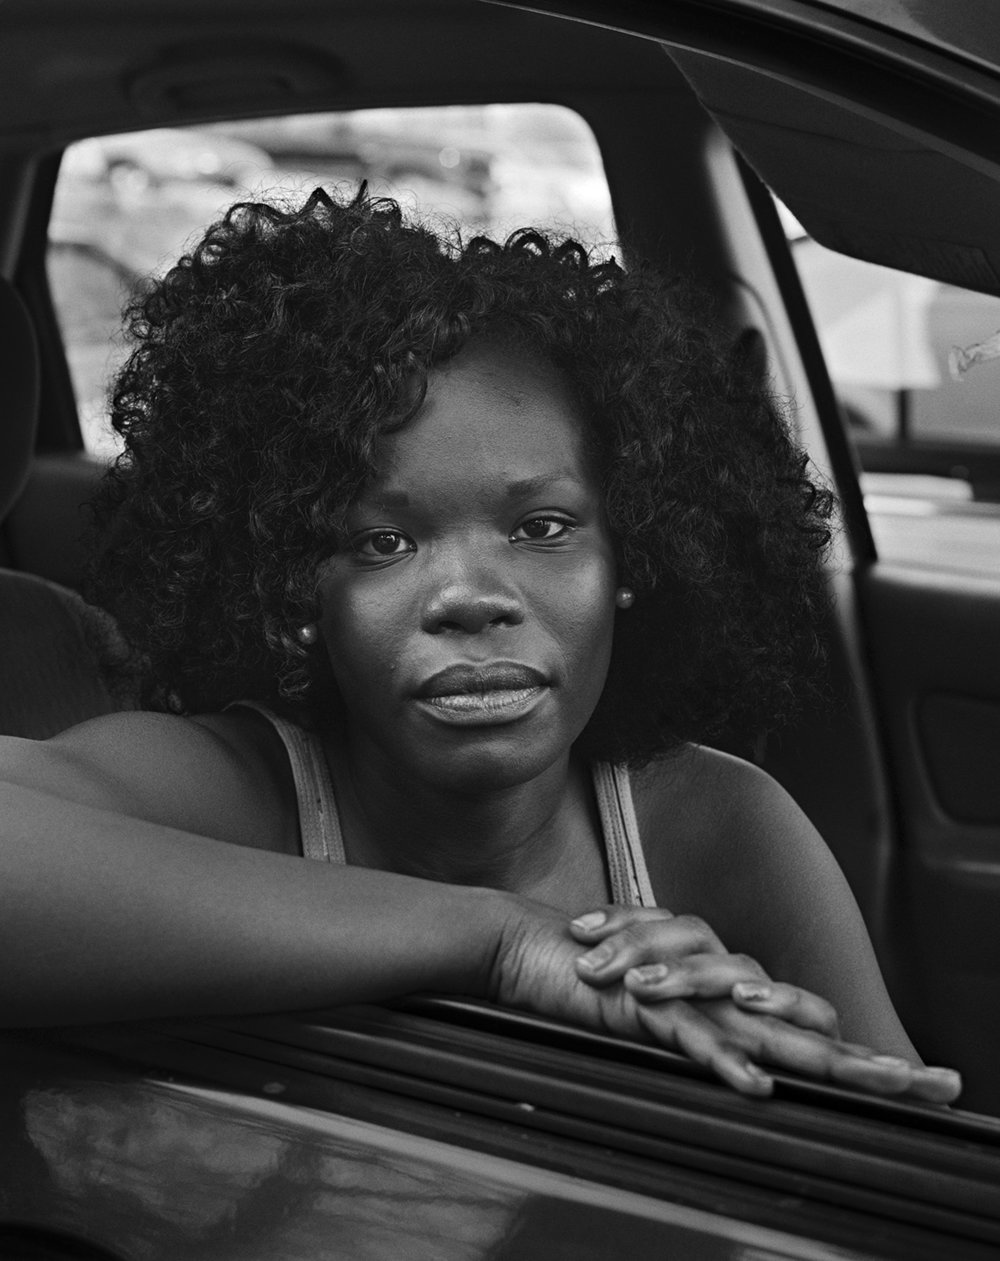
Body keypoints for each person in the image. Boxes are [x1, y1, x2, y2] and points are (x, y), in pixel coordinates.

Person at [0, 186, 960, 1103]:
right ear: (297, 586)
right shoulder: (236, 789)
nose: (469, 598)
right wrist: (502, 943)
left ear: (634, 554)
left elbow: (913, 1145)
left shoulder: (719, 823)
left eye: (542, 527)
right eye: (384, 542)